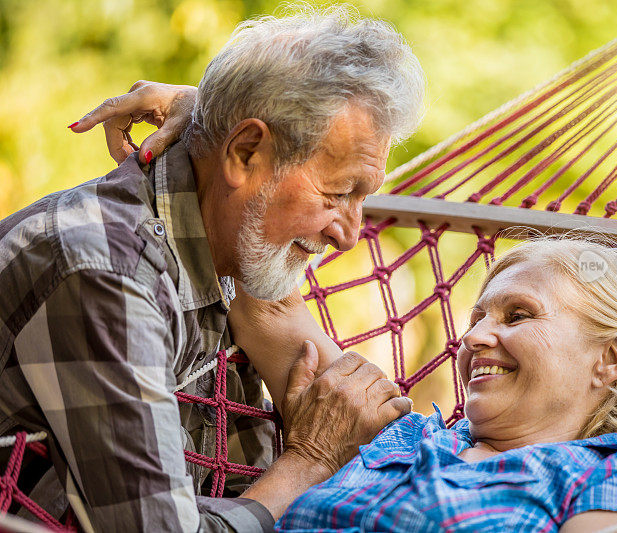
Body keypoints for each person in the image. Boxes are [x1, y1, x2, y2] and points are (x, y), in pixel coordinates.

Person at [0, 6, 424, 532]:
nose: (349, 233)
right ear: (244, 152)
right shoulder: (107, 274)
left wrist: (205, 109)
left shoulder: (227, 251)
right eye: (338, 193)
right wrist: (310, 461)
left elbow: (242, 480)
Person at [227, 237, 617, 532]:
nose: (471, 338)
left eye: (518, 316)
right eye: (476, 319)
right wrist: (212, 124)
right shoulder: (396, 433)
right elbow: (265, 307)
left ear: (610, 358)